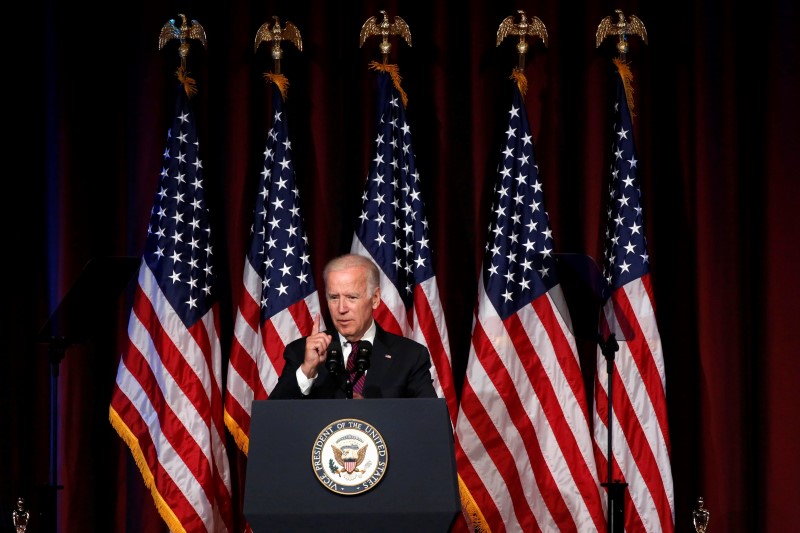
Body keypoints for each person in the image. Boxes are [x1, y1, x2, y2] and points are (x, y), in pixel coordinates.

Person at [270, 253, 437, 399]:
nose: (341, 309)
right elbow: (274, 421)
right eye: (334, 297)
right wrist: (307, 370)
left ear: (375, 298)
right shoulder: (300, 353)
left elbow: (427, 423)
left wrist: (368, 415)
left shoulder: (409, 357)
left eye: (351, 297)